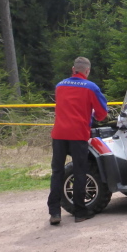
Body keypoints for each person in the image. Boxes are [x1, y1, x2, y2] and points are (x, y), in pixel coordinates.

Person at [47, 57, 108, 224]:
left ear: (73, 69)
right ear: (87, 71)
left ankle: (54, 212)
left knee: (57, 172)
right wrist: (93, 115)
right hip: (78, 134)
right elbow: (102, 113)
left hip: (59, 134)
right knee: (80, 171)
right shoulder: (91, 87)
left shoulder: (60, 85)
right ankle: (80, 212)